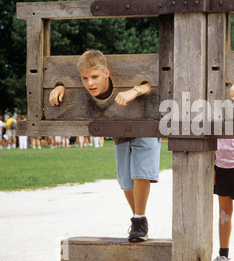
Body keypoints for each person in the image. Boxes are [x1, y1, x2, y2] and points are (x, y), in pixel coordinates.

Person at [49, 49, 161, 242]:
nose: (89, 83)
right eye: (84, 79)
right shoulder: (84, 87)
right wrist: (59, 86)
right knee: (125, 181)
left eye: (94, 76)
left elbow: (152, 84)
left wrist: (134, 91)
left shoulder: (128, 80)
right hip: (119, 132)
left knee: (140, 172)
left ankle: (138, 219)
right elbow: (64, 81)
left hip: (145, 125)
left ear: (107, 73)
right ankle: (139, 220)